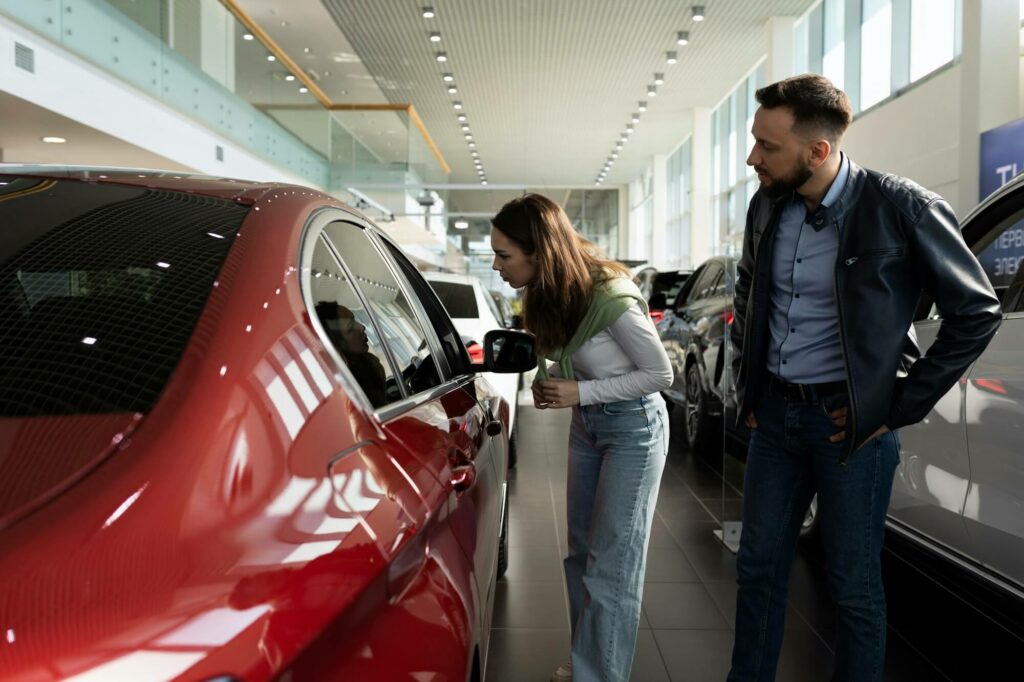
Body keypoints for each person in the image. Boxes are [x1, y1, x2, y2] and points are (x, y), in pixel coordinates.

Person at [728, 74, 1001, 681]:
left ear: (818, 151)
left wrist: (897, 404)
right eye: (754, 142)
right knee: (757, 569)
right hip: (775, 418)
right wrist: (748, 384)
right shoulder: (767, 205)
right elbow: (750, 287)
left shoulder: (902, 207)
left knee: (852, 587)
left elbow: (977, 309)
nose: (754, 158)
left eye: (767, 147)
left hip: (852, 430)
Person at [490, 194, 673, 682]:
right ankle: (591, 662)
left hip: (634, 428)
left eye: (505, 255)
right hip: (589, 426)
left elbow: (661, 374)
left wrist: (581, 390)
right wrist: (568, 389)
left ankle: (598, 674)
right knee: (580, 555)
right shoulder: (551, 294)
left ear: (539, 251)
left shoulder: (609, 295)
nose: (496, 265)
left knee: (611, 565)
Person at [315, 301, 388, 407]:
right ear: (336, 345)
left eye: (355, 320)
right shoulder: (343, 391)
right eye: (350, 328)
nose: (362, 327)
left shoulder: (370, 363)